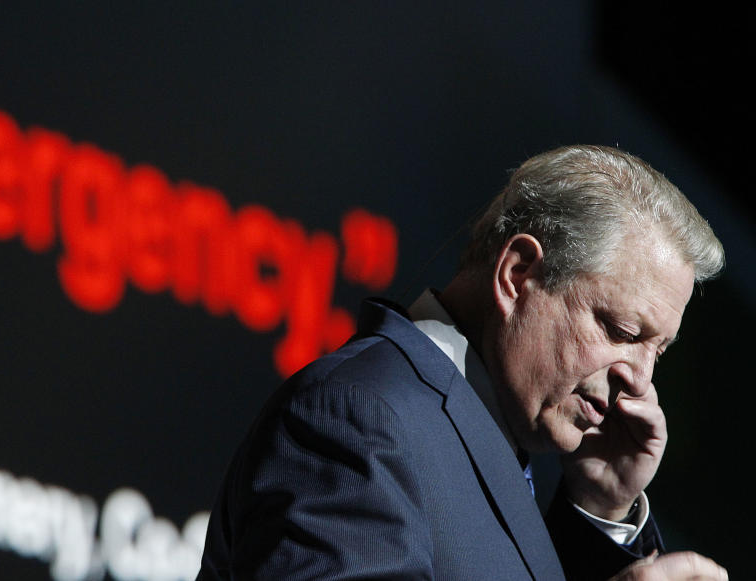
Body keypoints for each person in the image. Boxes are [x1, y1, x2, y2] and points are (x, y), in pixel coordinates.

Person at [197, 145, 729, 580]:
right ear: (517, 275)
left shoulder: (468, 434)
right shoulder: (358, 419)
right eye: (622, 332)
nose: (638, 381)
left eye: (657, 350)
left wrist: (600, 506)